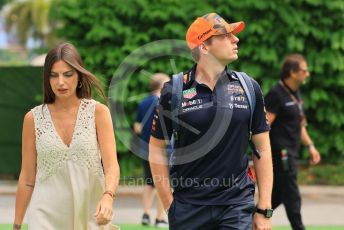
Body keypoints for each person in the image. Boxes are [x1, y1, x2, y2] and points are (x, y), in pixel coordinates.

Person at [149, 13, 273, 230]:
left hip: (236, 204)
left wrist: (264, 207)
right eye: (226, 35)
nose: (236, 40)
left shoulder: (248, 87)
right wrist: (169, 203)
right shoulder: (174, 91)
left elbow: (262, 148)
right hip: (188, 208)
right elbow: (156, 148)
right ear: (204, 47)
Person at [13, 42, 120, 230]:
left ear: (79, 76)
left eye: (68, 74)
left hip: (89, 214)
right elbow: (27, 178)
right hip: (44, 216)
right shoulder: (33, 118)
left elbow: (111, 166)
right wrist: (17, 224)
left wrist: (108, 196)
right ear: (47, 79)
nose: (60, 82)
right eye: (53, 75)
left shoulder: (98, 112)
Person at [265, 54, 321, 230]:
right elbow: (264, 126)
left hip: (292, 151)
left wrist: (310, 146)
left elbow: (300, 124)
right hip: (281, 153)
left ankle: (248, 221)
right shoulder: (276, 93)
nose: (307, 73)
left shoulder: (295, 94)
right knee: (292, 195)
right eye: (304, 70)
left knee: (278, 196)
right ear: (292, 72)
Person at [133, 73, 170, 228]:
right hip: (162, 150)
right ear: (162, 86)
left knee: (149, 182)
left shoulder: (143, 103)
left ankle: (146, 214)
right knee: (163, 182)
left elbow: (137, 128)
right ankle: (160, 218)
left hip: (145, 148)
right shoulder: (166, 102)